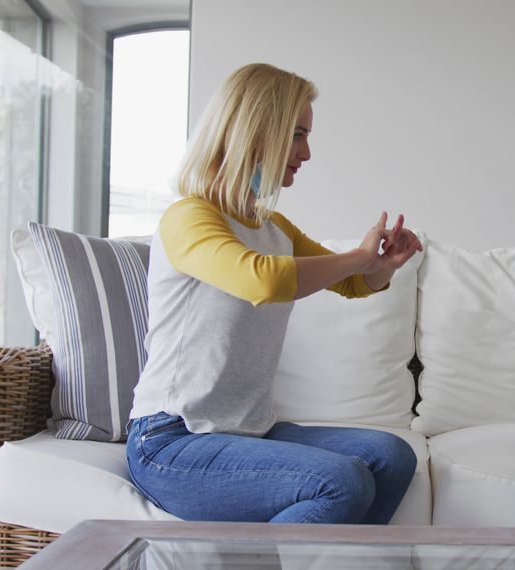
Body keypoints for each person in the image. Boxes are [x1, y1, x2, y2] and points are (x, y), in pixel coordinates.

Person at [125, 63, 421, 524]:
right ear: (255, 132)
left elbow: (353, 284)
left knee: (391, 455)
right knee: (339, 481)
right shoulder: (189, 216)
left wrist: (381, 267)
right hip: (171, 441)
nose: (306, 152)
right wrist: (359, 258)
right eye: (297, 134)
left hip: (250, 433)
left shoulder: (273, 227)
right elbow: (261, 281)